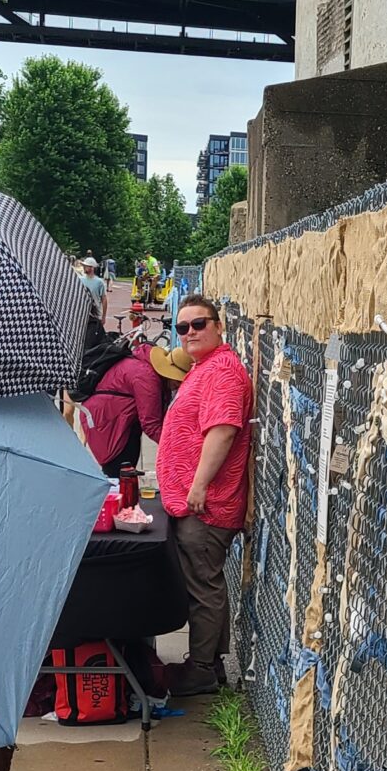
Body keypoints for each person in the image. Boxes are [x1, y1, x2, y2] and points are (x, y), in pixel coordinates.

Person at [156, 293, 253, 696]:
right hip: (193, 500)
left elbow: (223, 430)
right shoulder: (205, 367)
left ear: (218, 326)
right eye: (183, 327)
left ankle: (200, 670)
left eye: (199, 324)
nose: (190, 332)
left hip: (206, 504)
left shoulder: (223, 372)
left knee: (203, 586)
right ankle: (209, 663)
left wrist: (198, 484)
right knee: (205, 583)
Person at [77, 336, 188, 472]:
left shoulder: (146, 367)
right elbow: (151, 424)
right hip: (108, 422)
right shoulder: (146, 378)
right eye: (177, 381)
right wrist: (177, 449)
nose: (177, 386)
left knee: (125, 470)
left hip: (113, 417)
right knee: (119, 472)